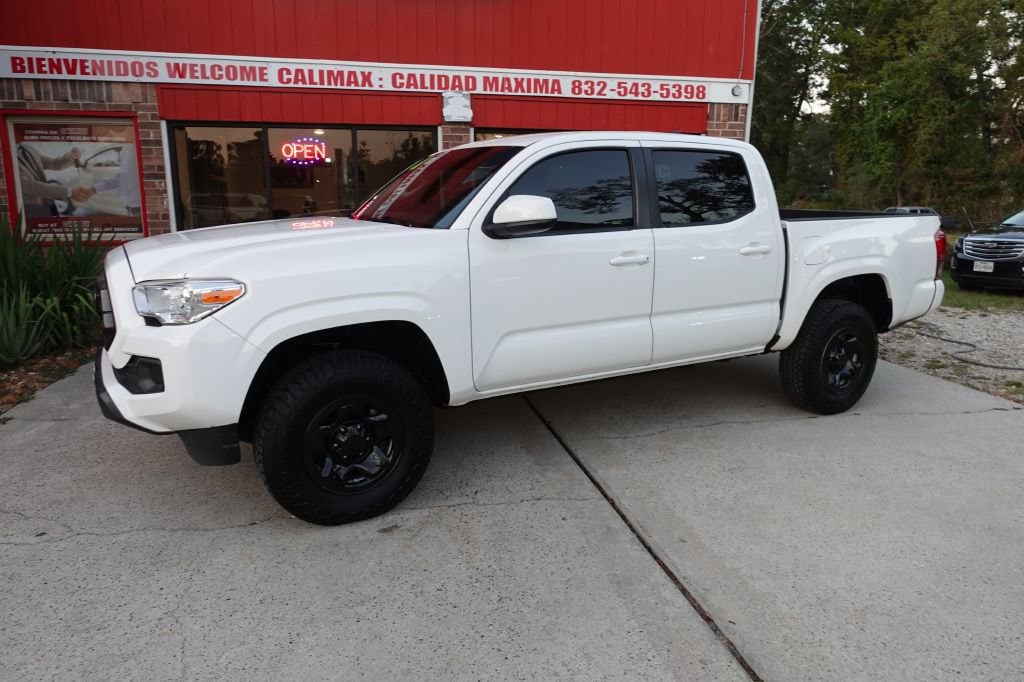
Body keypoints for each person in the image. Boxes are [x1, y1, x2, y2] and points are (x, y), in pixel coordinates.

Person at [16, 143, 93, 217]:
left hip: (47, 204)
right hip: (30, 209)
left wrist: (70, 157)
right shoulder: (7, 160)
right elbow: (32, 187)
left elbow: (54, 163)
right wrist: (69, 192)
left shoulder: (26, 148)